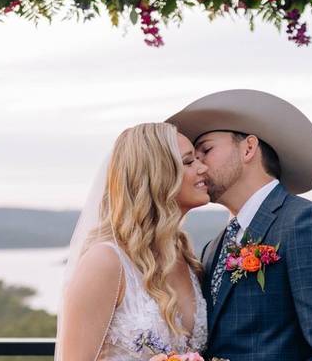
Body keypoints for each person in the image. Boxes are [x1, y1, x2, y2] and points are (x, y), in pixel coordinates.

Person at [167, 89, 312, 361]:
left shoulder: (306, 223)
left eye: (206, 150)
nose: (198, 166)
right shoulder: (213, 247)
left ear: (248, 148)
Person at [56, 122, 210, 361]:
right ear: (158, 175)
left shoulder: (184, 256)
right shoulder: (105, 262)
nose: (203, 167)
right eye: (189, 161)